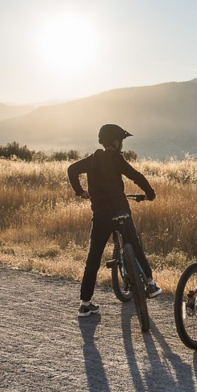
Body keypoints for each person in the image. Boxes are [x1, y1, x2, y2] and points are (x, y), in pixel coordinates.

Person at [68, 123, 160, 317]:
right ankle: (150, 284)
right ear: (115, 142)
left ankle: (85, 303)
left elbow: (71, 170)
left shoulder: (92, 160)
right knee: (134, 245)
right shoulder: (116, 159)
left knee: (93, 258)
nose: (122, 145)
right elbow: (136, 176)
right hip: (120, 211)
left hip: (101, 215)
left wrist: (80, 192)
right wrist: (150, 194)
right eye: (121, 141)